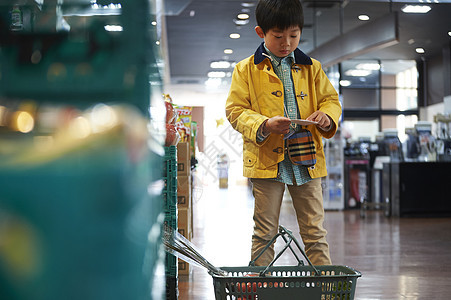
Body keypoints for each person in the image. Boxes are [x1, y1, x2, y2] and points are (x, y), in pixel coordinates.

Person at [225, 0, 342, 266]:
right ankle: (257, 290)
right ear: (260, 32)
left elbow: (331, 101)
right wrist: (264, 124)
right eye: (278, 36)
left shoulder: (313, 67)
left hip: (307, 159)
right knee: (264, 232)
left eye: (294, 35)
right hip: (267, 161)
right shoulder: (245, 70)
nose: (287, 43)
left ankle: (325, 291)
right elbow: (235, 111)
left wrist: (327, 116)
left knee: (315, 232)